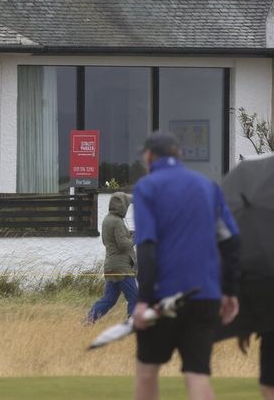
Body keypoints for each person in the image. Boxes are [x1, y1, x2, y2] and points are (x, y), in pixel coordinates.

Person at [131, 131, 242, 400]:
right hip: (205, 294)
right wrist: (229, 290)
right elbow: (232, 241)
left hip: (163, 298)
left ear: (149, 156)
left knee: (147, 370)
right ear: (179, 155)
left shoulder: (147, 187)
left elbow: (146, 246)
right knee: (198, 372)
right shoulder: (209, 187)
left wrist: (143, 299)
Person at [86, 191, 137, 323]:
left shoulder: (107, 219)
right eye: (127, 204)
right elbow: (124, 245)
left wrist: (128, 235)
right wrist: (135, 237)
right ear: (122, 206)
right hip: (122, 268)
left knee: (109, 299)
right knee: (134, 298)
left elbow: (107, 241)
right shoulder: (118, 222)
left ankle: (88, 321)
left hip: (111, 266)